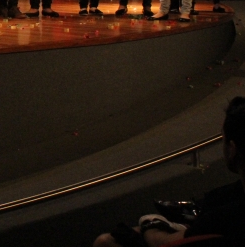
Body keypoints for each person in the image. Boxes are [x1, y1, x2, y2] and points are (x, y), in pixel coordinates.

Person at [93, 96, 245, 247]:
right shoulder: (229, 199)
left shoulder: (225, 217)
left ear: (232, 149)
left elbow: (164, 242)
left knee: (105, 242)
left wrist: (150, 224)